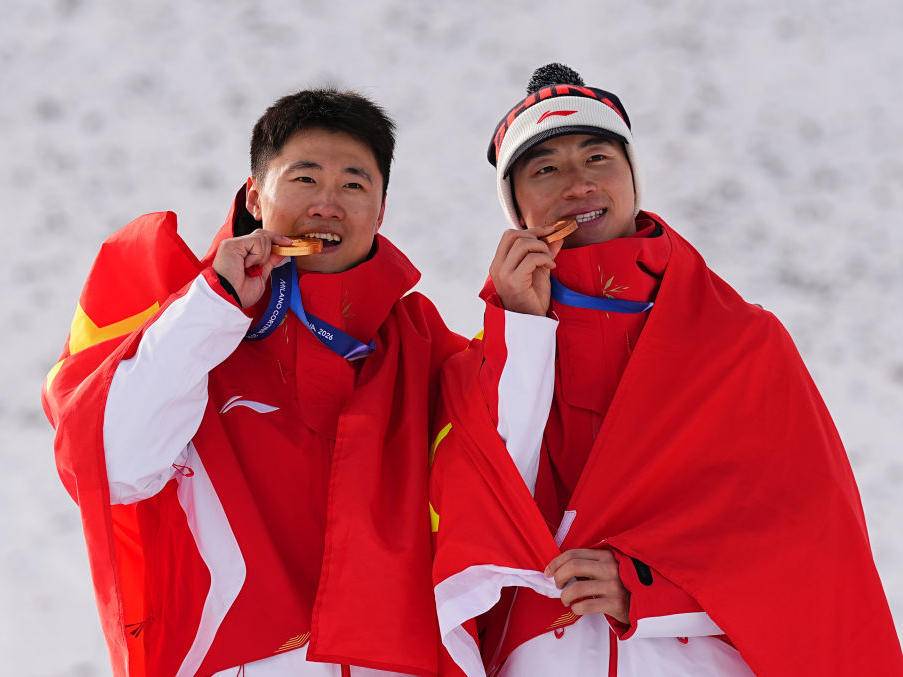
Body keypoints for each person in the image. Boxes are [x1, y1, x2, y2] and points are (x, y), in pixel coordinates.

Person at [428, 64, 901, 676]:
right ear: (516, 207)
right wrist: (520, 327)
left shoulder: (743, 342)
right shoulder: (483, 358)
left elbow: (811, 546)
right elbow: (486, 514)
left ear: (633, 179)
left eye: (598, 158)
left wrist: (652, 587)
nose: (578, 184)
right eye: (545, 169)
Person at [42, 88, 466, 676]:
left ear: (380, 211)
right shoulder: (184, 321)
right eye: (304, 179)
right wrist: (214, 309)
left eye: (353, 184)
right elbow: (112, 468)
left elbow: (510, 474)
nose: (327, 204)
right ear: (254, 196)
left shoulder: (426, 347)